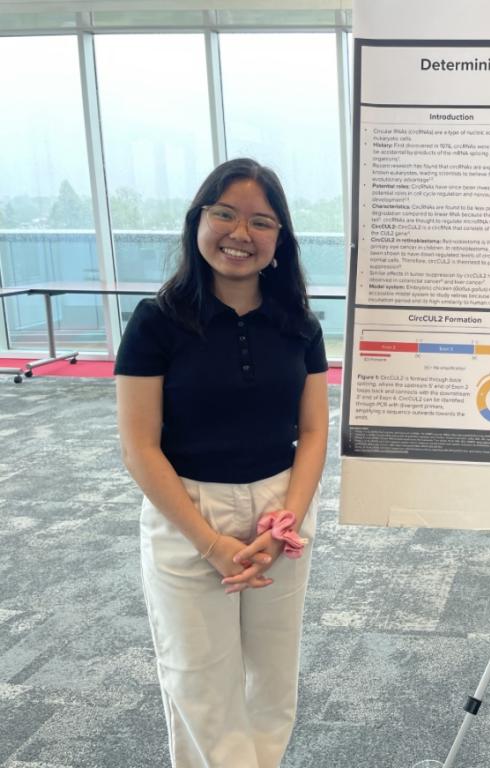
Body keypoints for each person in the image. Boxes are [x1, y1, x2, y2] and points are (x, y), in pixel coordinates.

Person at [115, 158, 329, 765]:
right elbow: (138, 446)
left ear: (280, 240)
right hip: (186, 510)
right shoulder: (157, 322)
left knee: (272, 681)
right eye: (225, 214)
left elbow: (313, 432)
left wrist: (286, 519)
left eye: (261, 221)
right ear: (198, 222)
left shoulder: (299, 325)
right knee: (200, 682)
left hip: (278, 511)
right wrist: (209, 542)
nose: (241, 233)